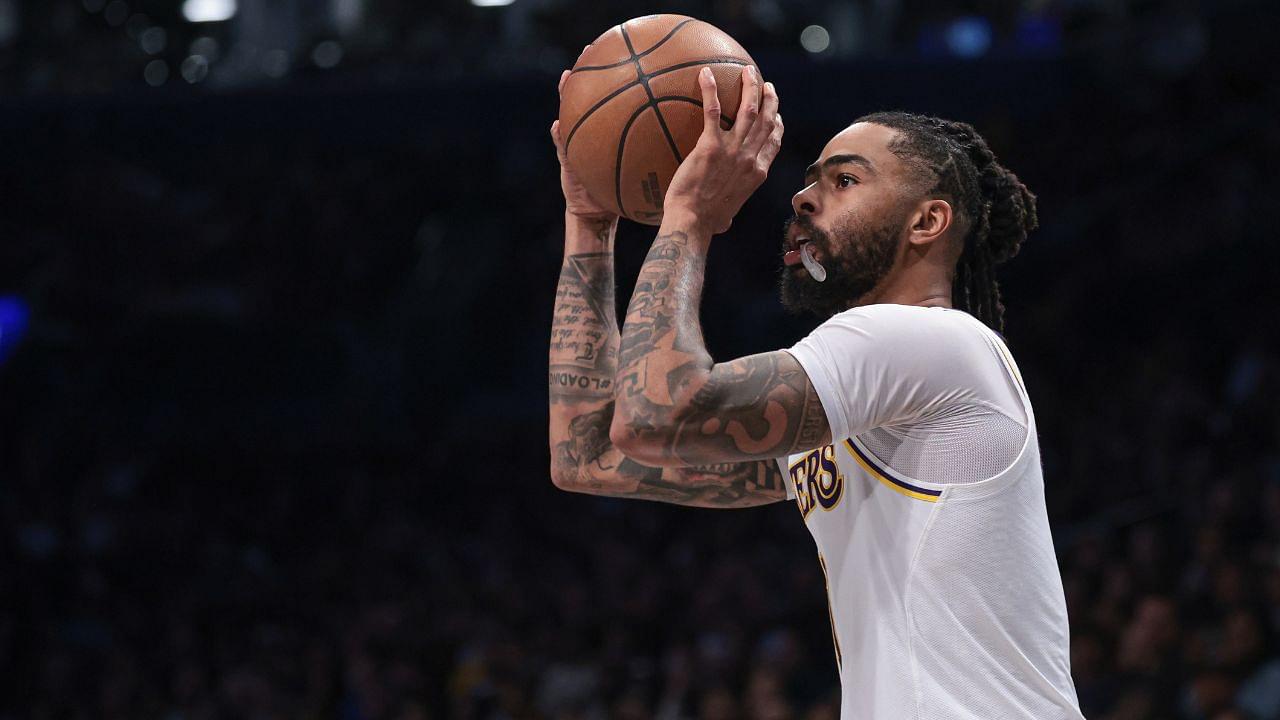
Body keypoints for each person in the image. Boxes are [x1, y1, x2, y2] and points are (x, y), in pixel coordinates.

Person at [548, 63, 1084, 718]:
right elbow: (587, 456)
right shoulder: (862, 406)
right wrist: (589, 220)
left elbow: (654, 414)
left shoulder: (930, 343)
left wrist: (690, 214)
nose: (803, 198)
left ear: (927, 221)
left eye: (845, 180)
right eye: (809, 181)